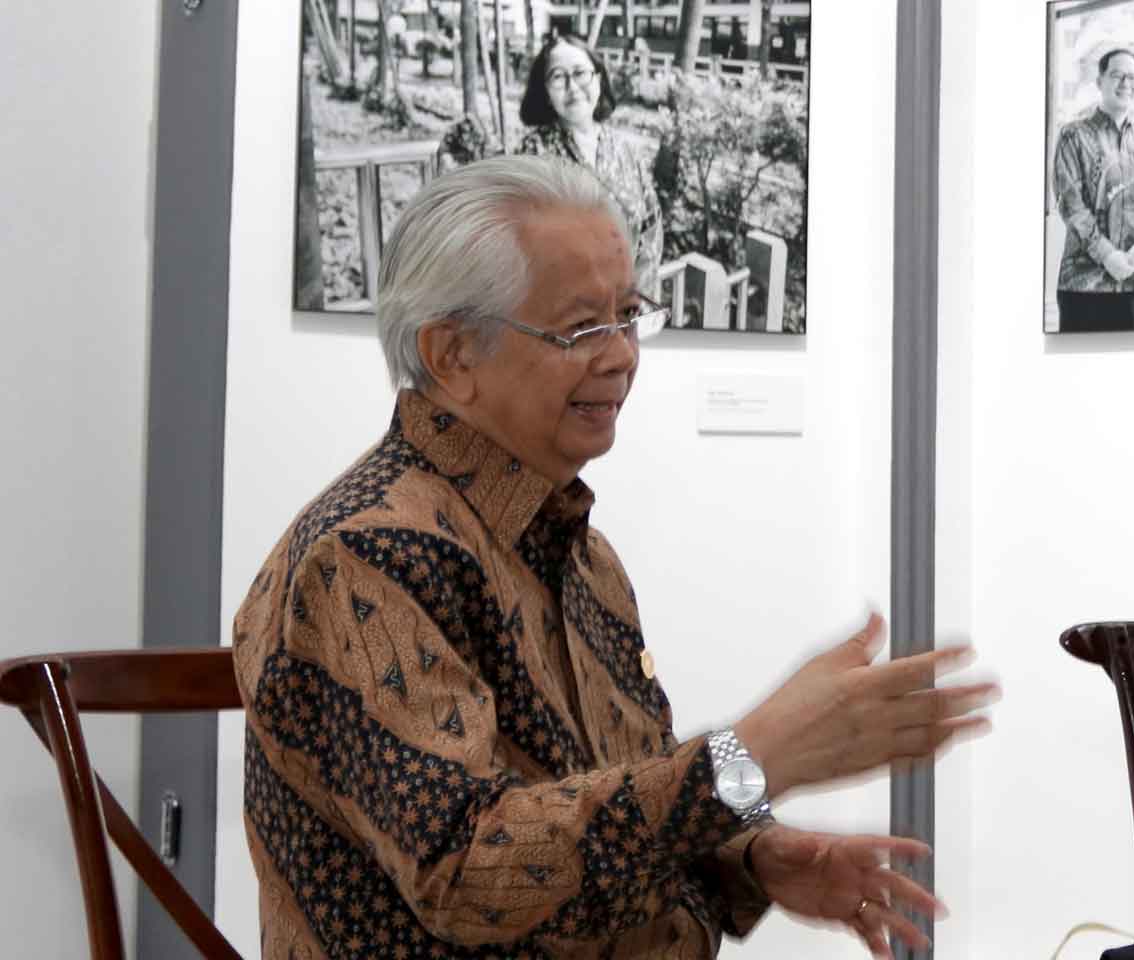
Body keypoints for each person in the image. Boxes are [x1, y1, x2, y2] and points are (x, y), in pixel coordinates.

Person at [232, 156, 1002, 958]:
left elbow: (606, 798)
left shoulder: (580, 554)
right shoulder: (364, 557)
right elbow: (467, 869)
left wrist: (752, 855)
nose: (622, 356)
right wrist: (748, 760)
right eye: (579, 329)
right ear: (452, 355)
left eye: (628, 315)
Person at [507, 32, 667, 277]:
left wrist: (633, 295)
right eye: (558, 77)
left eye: (580, 73)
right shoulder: (531, 155)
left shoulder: (625, 149)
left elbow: (651, 225)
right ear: (546, 92)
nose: (573, 87)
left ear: (598, 79)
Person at [1051, 48, 1134, 332]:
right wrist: (1107, 255)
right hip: (1083, 286)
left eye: (1132, 77)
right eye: (1116, 75)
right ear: (1100, 81)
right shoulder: (1074, 135)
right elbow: (1070, 203)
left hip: (1133, 284)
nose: (1125, 84)